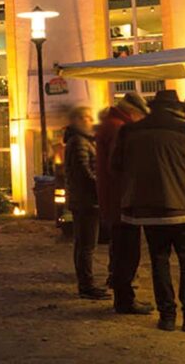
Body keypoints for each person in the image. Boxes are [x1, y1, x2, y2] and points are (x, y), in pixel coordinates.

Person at [113, 89, 185, 332]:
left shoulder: (130, 130)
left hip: (149, 210)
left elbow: (116, 165)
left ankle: (167, 316)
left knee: (159, 261)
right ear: (178, 108)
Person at [95, 92, 152, 315]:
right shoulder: (120, 128)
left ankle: (123, 297)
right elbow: (118, 166)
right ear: (134, 112)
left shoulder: (111, 123)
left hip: (114, 198)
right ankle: (125, 301)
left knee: (121, 250)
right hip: (121, 199)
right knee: (127, 252)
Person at [63, 106, 107, 300]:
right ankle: (86, 285)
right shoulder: (79, 142)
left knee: (83, 244)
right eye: (88, 117)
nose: (91, 120)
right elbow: (84, 171)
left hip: (82, 199)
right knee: (86, 245)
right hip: (86, 200)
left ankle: (86, 283)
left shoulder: (78, 140)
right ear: (79, 119)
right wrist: (101, 187)